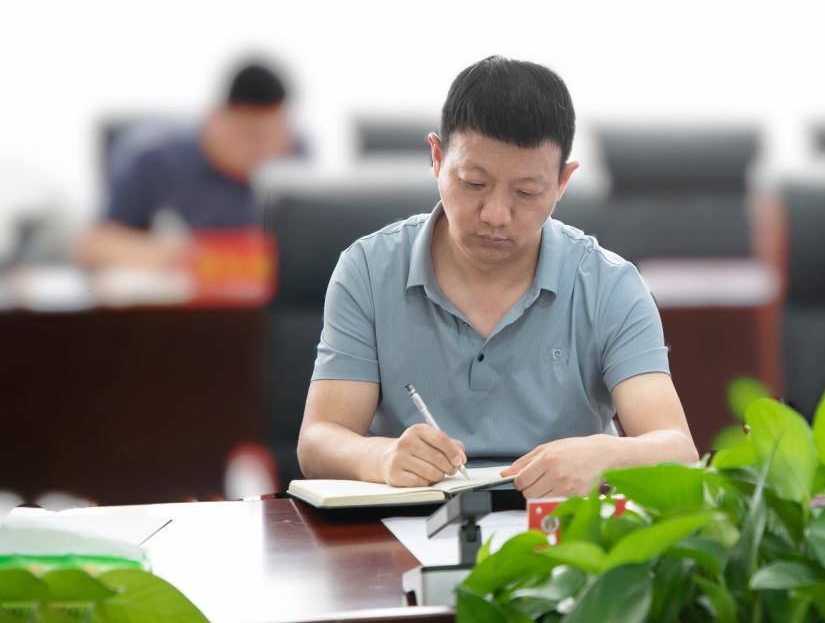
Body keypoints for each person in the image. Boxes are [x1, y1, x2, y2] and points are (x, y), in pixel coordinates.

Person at [297, 56, 698, 499]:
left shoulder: (609, 286)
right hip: (404, 525)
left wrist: (606, 458)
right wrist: (382, 457)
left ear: (563, 182)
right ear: (436, 158)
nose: (496, 215)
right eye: (474, 183)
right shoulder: (369, 270)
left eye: (526, 192)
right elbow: (318, 441)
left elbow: (679, 450)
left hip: (559, 525)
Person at [75, 62, 300, 269]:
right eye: (251, 135)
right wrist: (167, 254)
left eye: (274, 136)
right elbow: (91, 245)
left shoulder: (293, 159)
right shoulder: (157, 163)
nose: (262, 150)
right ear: (215, 120)